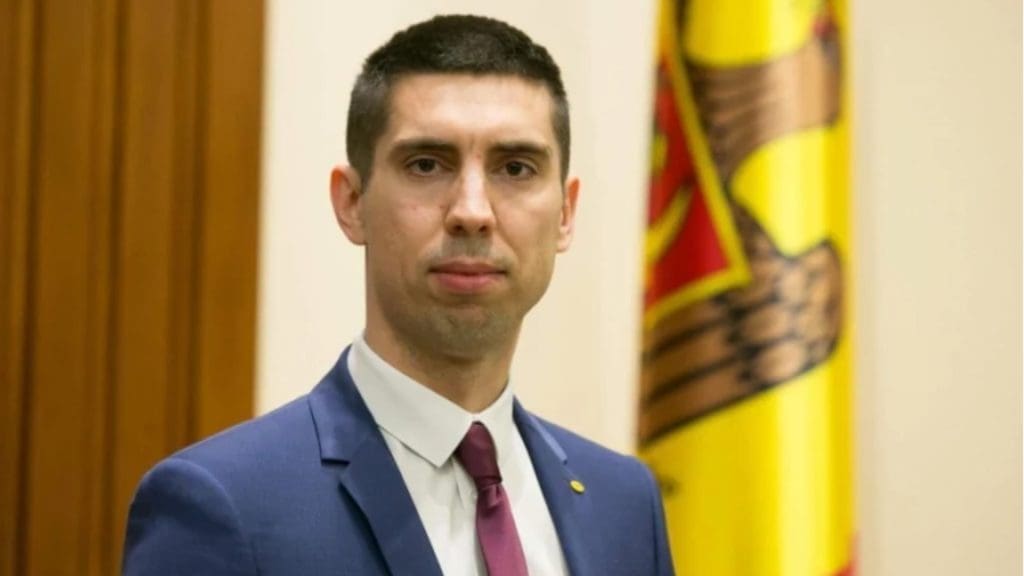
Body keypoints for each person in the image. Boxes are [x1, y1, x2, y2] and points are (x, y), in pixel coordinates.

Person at [123, 14, 674, 576]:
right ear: (351, 202)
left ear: (565, 213)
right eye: (427, 164)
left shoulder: (625, 506)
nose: (472, 211)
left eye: (515, 167)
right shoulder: (225, 507)